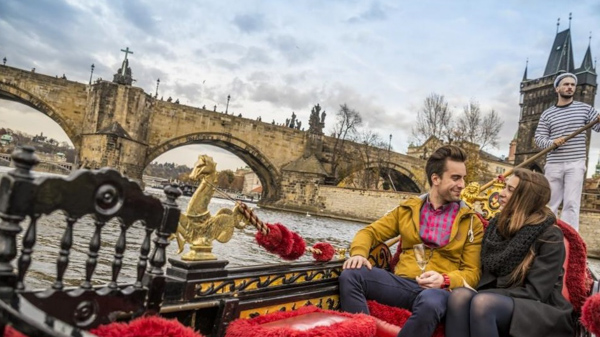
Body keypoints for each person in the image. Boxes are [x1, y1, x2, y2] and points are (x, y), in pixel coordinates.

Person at [339, 145, 484, 337]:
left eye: (463, 178)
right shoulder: (408, 209)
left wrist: (444, 280)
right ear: (436, 179)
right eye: (456, 178)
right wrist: (359, 253)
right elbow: (369, 232)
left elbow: (472, 273)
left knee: (430, 302)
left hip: (439, 291)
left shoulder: (472, 222)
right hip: (402, 284)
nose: (463, 184)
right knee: (351, 275)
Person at [445, 168, 573, 337]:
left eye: (510, 190)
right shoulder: (497, 226)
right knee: (459, 296)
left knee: (483, 302)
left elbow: (536, 292)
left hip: (539, 307)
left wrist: (484, 293)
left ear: (526, 198)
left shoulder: (550, 235)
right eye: (505, 187)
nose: (501, 193)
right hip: (498, 298)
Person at [534, 72, 600, 231]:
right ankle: (546, 234)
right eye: (566, 84)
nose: (570, 87)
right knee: (549, 203)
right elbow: (539, 138)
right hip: (554, 164)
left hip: (575, 163)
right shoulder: (548, 114)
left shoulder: (585, 109)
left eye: (572, 85)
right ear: (557, 88)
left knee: (571, 203)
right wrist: (552, 142)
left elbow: (598, 127)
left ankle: (570, 239)